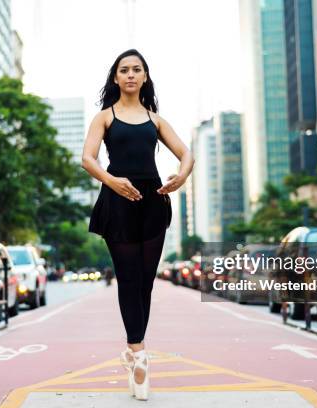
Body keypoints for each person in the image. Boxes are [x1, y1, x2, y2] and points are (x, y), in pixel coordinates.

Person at [81, 49, 194, 400]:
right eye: (124, 70)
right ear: (115, 78)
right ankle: (139, 351)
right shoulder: (105, 117)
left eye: (137, 70)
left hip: (152, 202)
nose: (130, 75)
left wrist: (181, 177)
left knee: (145, 282)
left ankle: (132, 354)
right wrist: (112, 181)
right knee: (128, 279)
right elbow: (87, 157)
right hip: (118, 201)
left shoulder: (155, 120)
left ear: (145, 77)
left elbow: (186, 153)